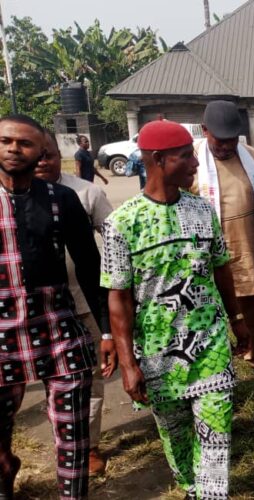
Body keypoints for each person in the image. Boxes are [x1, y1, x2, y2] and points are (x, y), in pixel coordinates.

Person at [101, 120, 250, 500]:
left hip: (210, 344)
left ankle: (211, 494)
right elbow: (118, 298)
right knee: (176, 436)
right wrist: (129, 362)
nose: (195, 165)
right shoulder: (122, 224)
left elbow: (221, 269)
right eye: (185, 157)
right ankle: (191, 487)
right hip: (158, 352)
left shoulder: (202, 210)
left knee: (216, 430)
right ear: (157, 159)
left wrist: (237, 320)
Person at [0, 115, 107, 500]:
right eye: (6, 141)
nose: (14, 149)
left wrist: (107, 331)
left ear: (42, 153)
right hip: (2, 333)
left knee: (73, 438)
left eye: (25, 143)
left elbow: (92, 268)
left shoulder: (62, 200)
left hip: (59, 329)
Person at [35, 130, 116, 476]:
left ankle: (89, 445)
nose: (41, 162)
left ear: (60, 156)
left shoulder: (85, 192)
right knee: (48, 377)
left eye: (48, 155)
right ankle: (62, 435)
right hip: (33, 307)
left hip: (81, 301)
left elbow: (113, 242)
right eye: (36, 155)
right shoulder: (10, 197)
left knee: (89, 375)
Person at [194, 101, 254, 384]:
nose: (227, 147)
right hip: (209, 255)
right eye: (219, 141)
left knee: (252, 309)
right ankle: (215, 368)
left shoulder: (249, 155)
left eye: (231, 140)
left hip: (247, 247)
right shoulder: (191, 159)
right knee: (208, 313)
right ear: (205, 131)